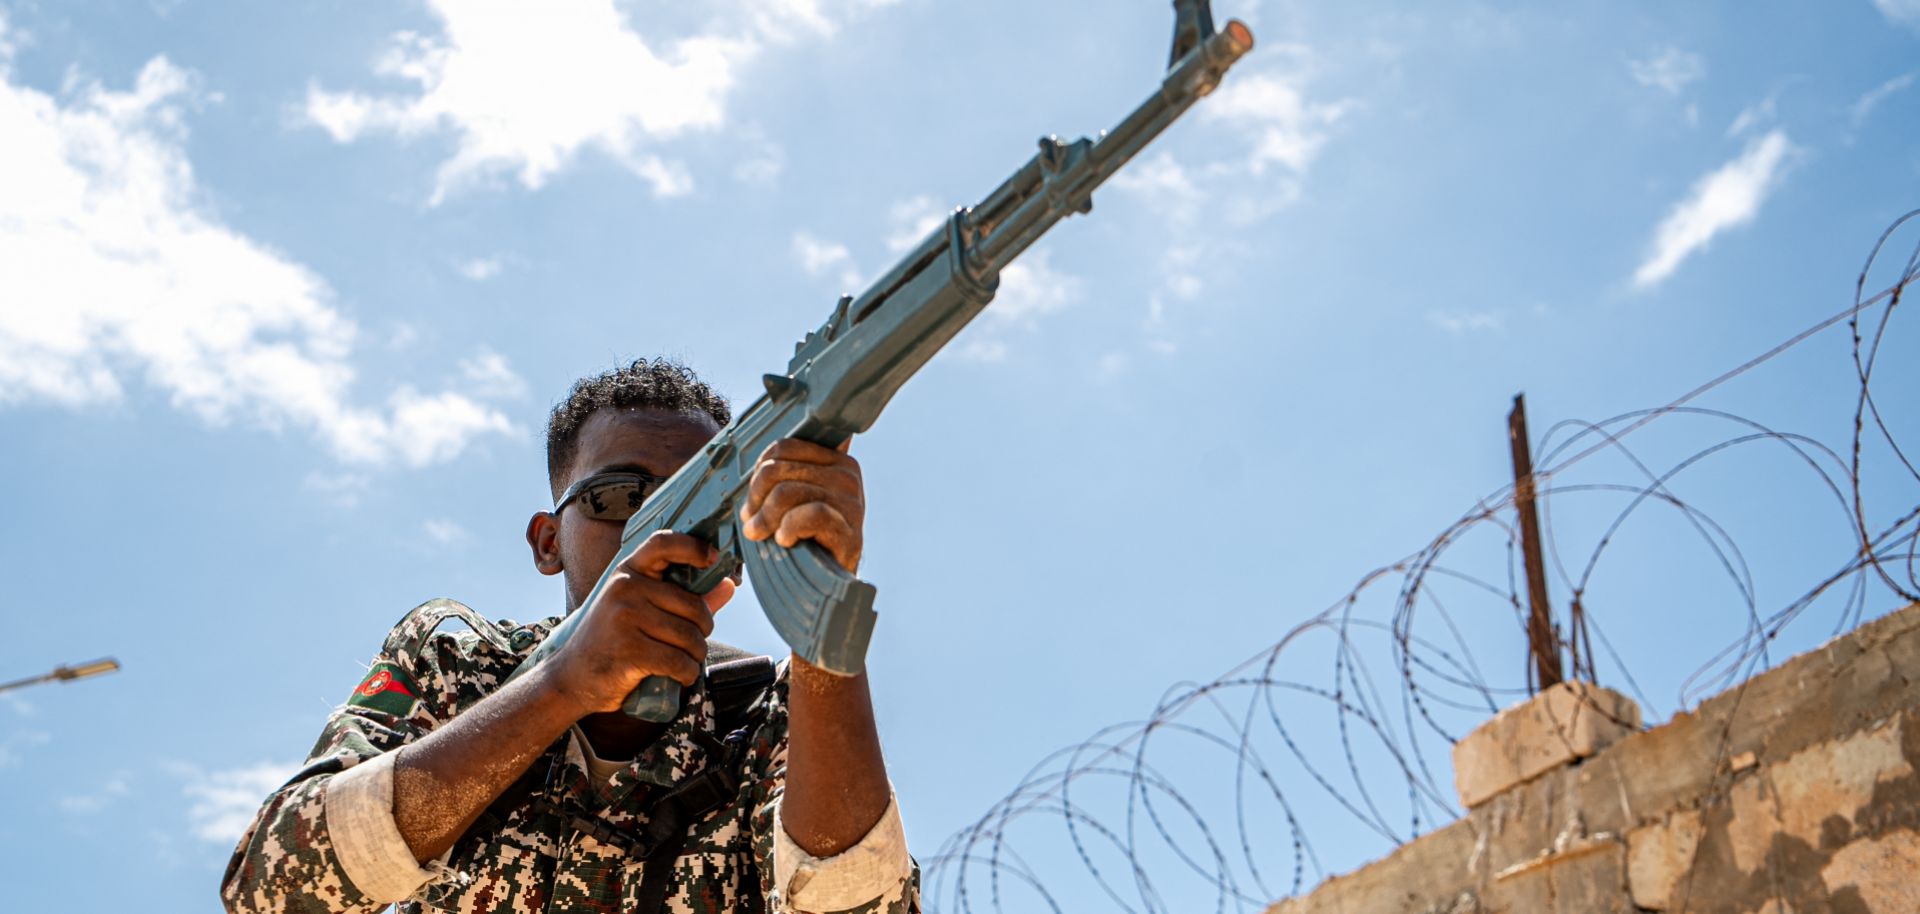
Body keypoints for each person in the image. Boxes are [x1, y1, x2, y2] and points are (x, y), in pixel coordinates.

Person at [221, 358, 916, 914]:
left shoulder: (769, 715)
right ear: (549, 541)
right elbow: (274, 890)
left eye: (701, 501)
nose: (665, 532)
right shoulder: (458, 664)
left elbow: (862, 904)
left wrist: (823, 641)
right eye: (617, 498)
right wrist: (562, 686)